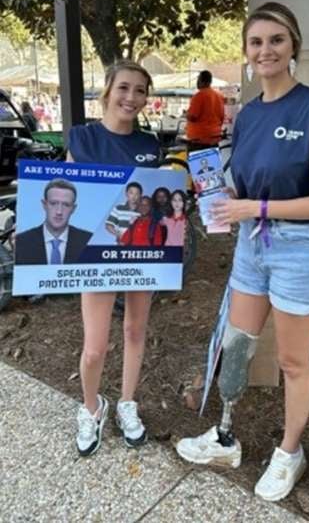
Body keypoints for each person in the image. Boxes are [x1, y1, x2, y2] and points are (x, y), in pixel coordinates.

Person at [175, 2, 309, 503]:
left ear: (293, 44)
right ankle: (226, 437)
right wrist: (224, 200)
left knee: (294, 363)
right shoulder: (249, 114)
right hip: (251, 247)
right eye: (256, 42)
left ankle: (289, 452)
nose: (266, 50)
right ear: (247, 53)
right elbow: (243, 185)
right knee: (237, 344)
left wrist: (254, 205)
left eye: (276, 39)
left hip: (300, 251)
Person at [66, 60, 162, 456]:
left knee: (136, 331)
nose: (132, 97)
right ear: (107, 90)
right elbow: (65, 191)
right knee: (95, 347)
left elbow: (157, 202)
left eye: (140, 90)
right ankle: (91, 408)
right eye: (124, 87)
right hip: (96, 251)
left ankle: (126, 402)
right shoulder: (81, 137)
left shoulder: (151, 145)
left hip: (141, 252)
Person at [15, 178, 92, 265]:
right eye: (53, 203)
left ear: (73, 209)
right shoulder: (21, 242)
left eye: (66, 205)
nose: (59, 211)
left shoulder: (90, 241)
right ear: (44, 205)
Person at [185, 70, 225, 150]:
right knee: (212, 162)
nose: (197, 82)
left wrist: (186, 114)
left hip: (199, 139)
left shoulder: (199, 96)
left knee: (198, 162)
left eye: (198, 79)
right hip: (214, 137)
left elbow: (192, 117)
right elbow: (221, 117)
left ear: (201, 81)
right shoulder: (219, 96)